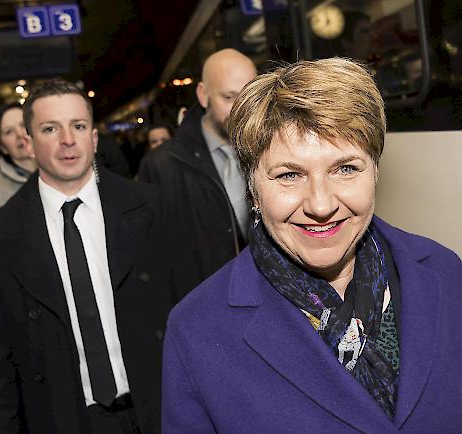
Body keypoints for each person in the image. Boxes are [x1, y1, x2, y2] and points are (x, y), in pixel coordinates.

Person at [162, 58, 462, 432]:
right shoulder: (197, 331)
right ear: (253, 190)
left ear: (376, 171)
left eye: (346, 169)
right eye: (289, 175)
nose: (321, 205)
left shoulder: (445, 274)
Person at [0, 79, 177, 434]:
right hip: (64, 418)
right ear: (29, 143)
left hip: (158, 408)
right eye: (51, 129)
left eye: (78, 126)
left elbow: (185, 311)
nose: (68, 140)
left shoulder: (151, 208)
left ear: (94, 138)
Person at [139, 49, 258, 294]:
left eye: (249, 97)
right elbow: (155, 257)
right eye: (229, 97)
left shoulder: (273, 150)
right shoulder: (162, 166)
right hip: (204, 305)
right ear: (203, 96)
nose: (241, 110)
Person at [0, 103, 37, 211]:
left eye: (23, 125)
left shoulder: (63, 166)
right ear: (2, 147)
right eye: (9, 132)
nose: (20, 134)